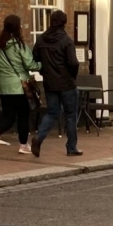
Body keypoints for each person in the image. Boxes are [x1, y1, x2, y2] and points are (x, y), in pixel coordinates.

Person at [30, 10, 82, 157]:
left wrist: (44, 72)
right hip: (67, 84)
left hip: (49, 83)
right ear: (64, 23)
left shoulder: (41, 40)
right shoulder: (67, 41)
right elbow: (73, 63)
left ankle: (39, 138)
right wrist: (72, 77)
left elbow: (35, 58)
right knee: (71, 115)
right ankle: (71, 147)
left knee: (52, 113)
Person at [0, 15, 41, 155]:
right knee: (23, 115)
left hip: (2, 86)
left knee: (8, 115)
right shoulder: (19, 45)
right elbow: (30, 64)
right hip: (18, 86)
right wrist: (42, 64)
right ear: (18, 27)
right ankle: (23, 145)